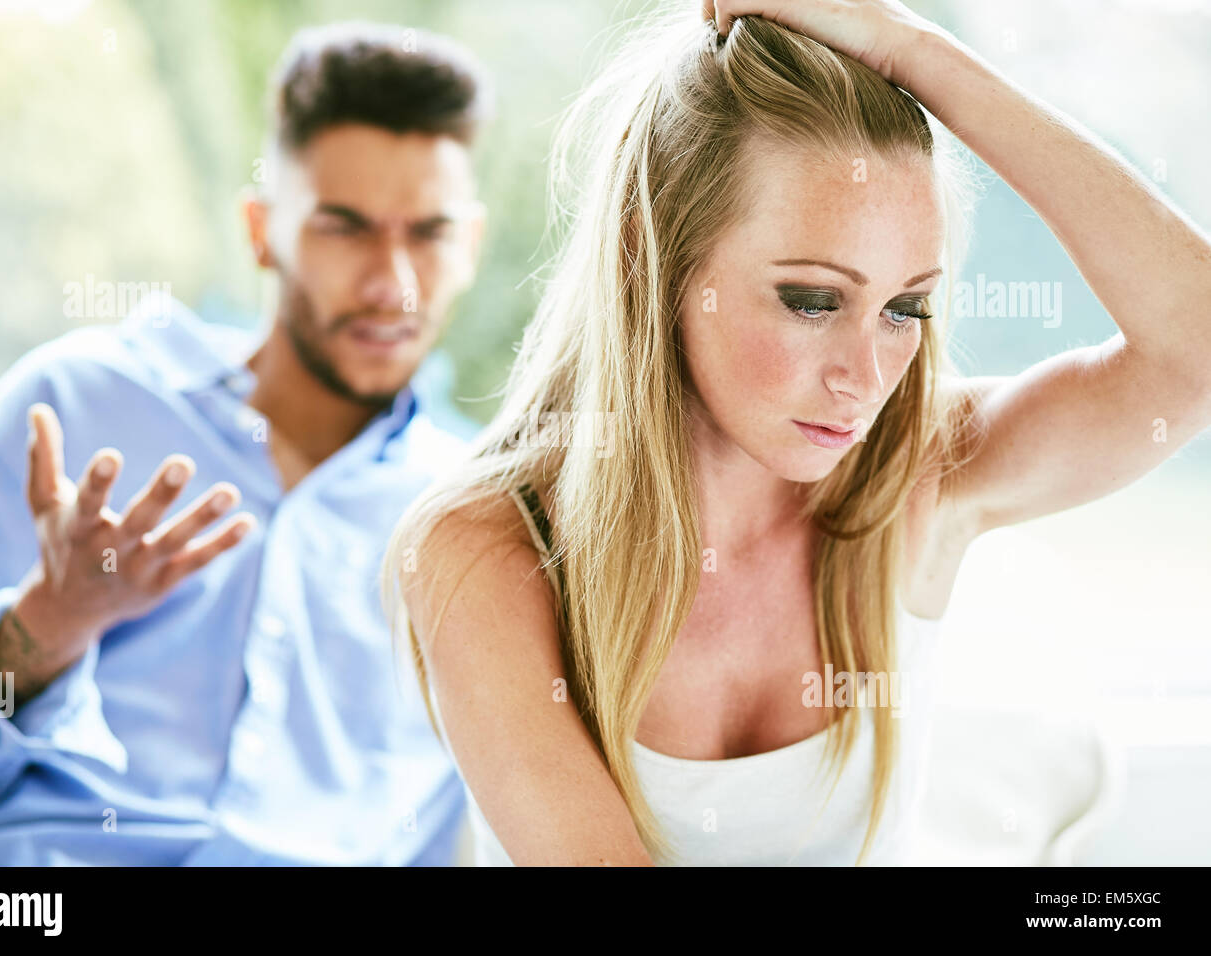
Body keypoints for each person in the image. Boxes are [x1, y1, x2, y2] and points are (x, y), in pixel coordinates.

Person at [382, 1, 1211, 866]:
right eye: (813, 301)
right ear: (651, 255)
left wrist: (918, 52)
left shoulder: (919, 482)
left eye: (905, 307)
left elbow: (1195, 352)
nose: (866, 376)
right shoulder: (483, 550)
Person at [0, 20, 491, 865]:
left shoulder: (477, 519)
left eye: (429, 233)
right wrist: (47, 623)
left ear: (470, 245)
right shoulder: (72, 405)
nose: (391, 284)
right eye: (344, 227)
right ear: (262, 230)